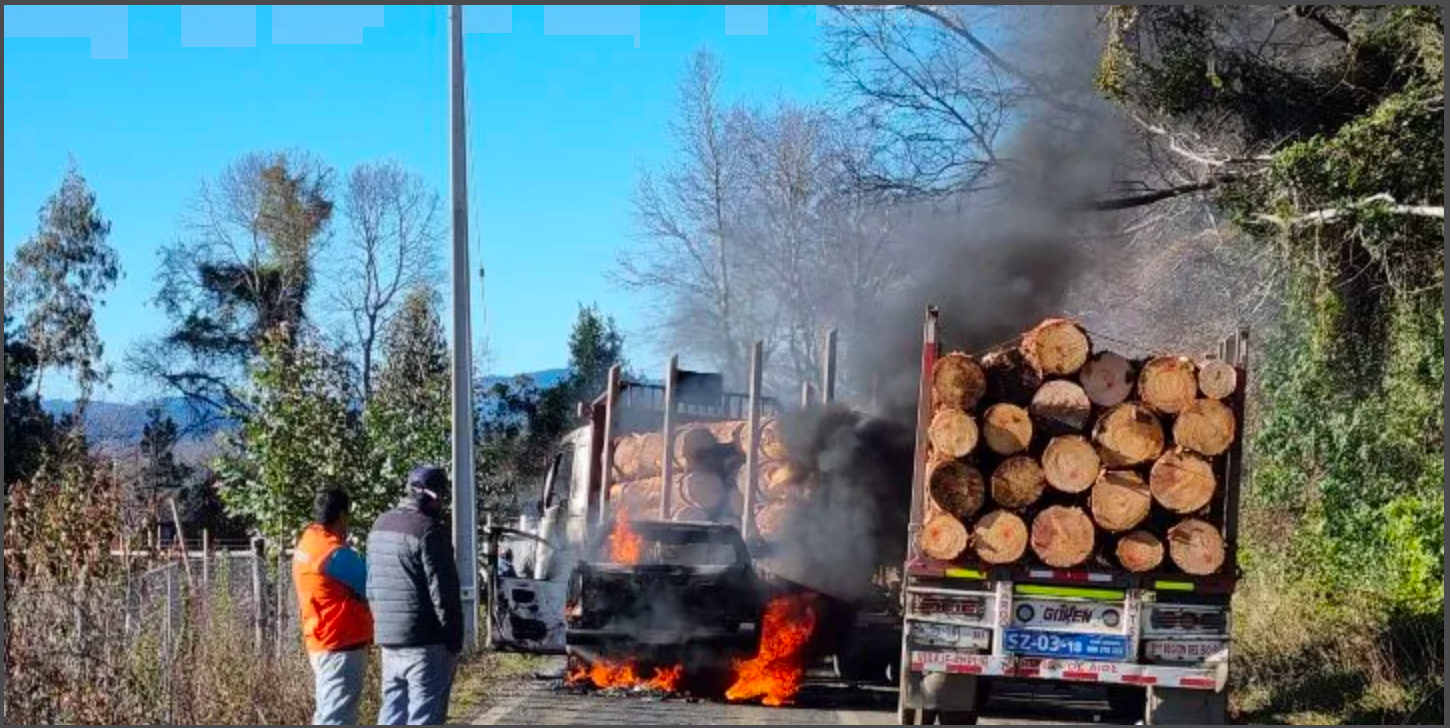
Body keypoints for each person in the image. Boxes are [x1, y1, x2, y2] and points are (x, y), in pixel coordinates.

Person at [367, 466, 464, 725]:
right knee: (424, 715)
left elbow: (371, 586)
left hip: (388, 639)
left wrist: (381, 626)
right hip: (424, 641)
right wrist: (454, 641)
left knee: (392, 711)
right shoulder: (430, 530)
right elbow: (443, 593)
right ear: (435, 497)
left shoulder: (379, 525)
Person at [292, 488, 373, 725]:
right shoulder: (334, 554)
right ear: (341, 515)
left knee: (328, 712)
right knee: (337, 718)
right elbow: (371, 582)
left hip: (321, 638)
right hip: (341, 643)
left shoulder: (308, 541)